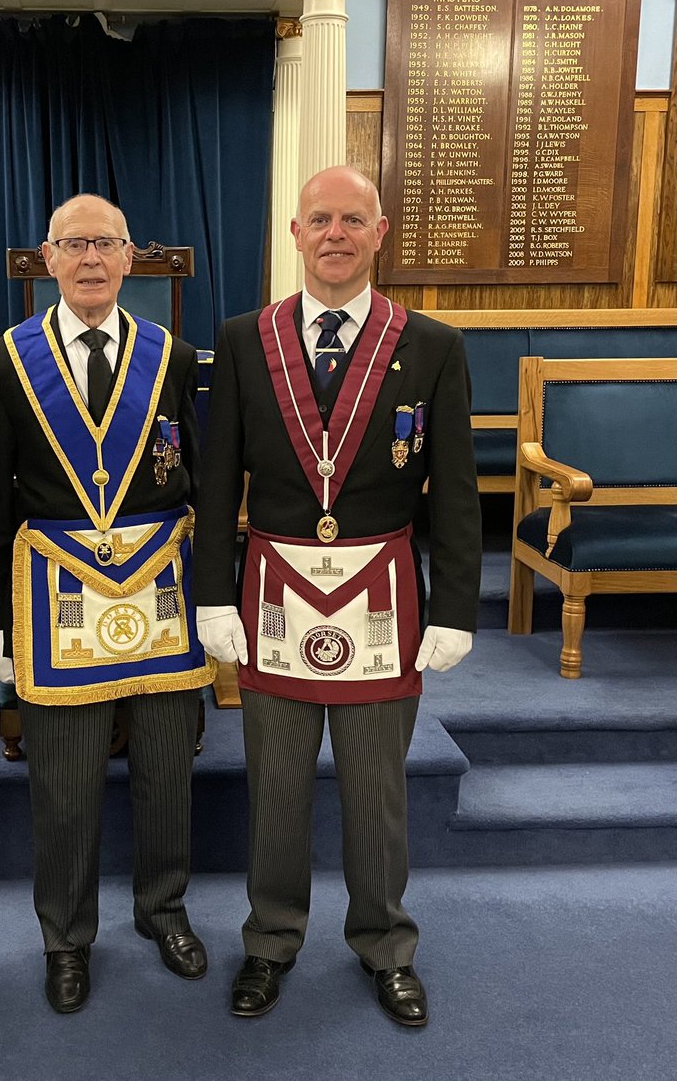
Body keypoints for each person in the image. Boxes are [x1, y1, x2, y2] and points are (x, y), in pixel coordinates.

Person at [192, 166, 481, 1027]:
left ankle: (385, 946)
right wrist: (215, 595)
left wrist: (458, 608)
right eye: (320, 219)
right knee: (275, 794)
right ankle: (270, 943)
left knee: (377, 797)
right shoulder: (247, 338)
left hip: (381, 595)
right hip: (275, 595)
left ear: (379, 233)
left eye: (353, 220)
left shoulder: (430, 345)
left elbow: (456, 492)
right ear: (294, 232)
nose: (335, 235)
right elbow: (216, 483)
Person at [0, 194, 216, 1014]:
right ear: (47, 258)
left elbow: (197, 481)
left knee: (164, 772)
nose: (90, 260)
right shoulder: (2, 364)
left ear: (130, 257)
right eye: (74, 244)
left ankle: (164, 909)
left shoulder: (173, 357)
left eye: (106, 243)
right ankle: (66, 937)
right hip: (55, 601)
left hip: (162, 594)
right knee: (66, 785)